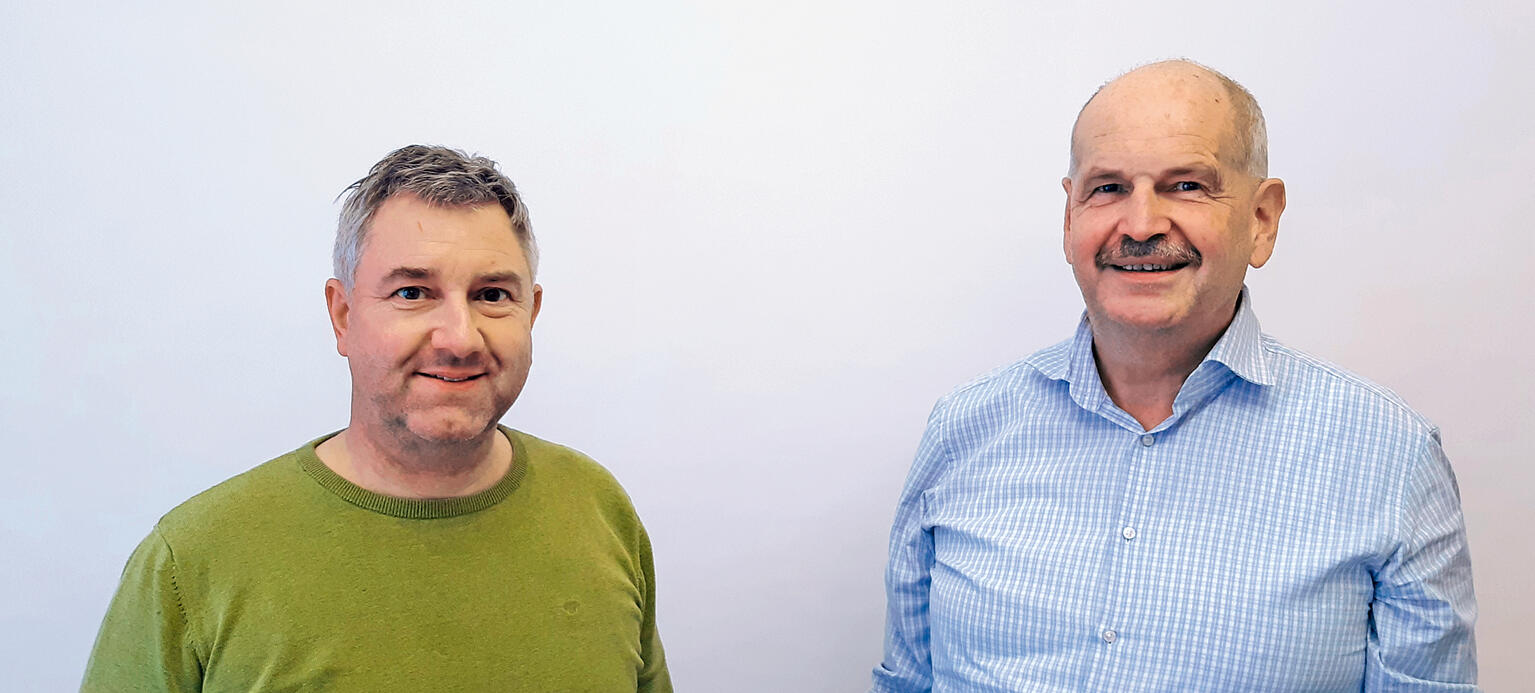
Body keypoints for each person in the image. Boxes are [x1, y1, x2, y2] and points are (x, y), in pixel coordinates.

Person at [873, 60, 1477, 691]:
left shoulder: (1390, 455)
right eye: (1108, 188)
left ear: (1262, 219)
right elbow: (906, 683)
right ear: (1069, 218)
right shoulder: (964, 430)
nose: (1140, 225)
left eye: (1186, 186)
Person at [83, 145, 671, 691]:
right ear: (342, 316)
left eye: (492, 295)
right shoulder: (192, 561)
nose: (460, 338)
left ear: (531, 312)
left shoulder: (598, 509)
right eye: (412, 293)